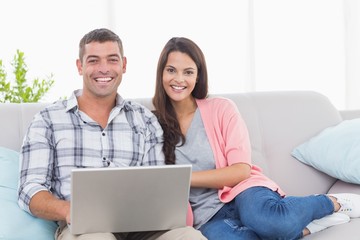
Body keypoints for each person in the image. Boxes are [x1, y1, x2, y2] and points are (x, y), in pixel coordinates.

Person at [152, 36, 360, 239]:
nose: (179, 79)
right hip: (206, 217)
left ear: (198, 76)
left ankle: (330, 203)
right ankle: (301, 227)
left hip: (245, 192)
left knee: (271, 222)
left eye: (188, 72)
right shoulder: (151, 123)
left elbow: (241, 170)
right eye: (171, 70)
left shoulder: (221, 109)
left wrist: (182, 179)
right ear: (161, 73)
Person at [17, 28, 206, 240]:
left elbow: (157, 182)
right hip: (83, 229)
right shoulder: (48, 120)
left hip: (142, 227)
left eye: (112, 59)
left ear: (124, 65)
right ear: (80, 67)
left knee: (190, 236)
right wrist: (70, 210)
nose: (104, 69)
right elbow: (30, 190)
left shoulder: (144, 119)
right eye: (94, 60)